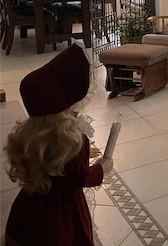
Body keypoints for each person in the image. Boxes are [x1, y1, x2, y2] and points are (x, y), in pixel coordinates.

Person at [3, 44, 114, 245]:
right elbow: (79, 177)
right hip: (61, 215)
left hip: (28, 208)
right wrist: (102, 168)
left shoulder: (29, 137)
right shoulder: (74, 143)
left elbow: (55, 165)